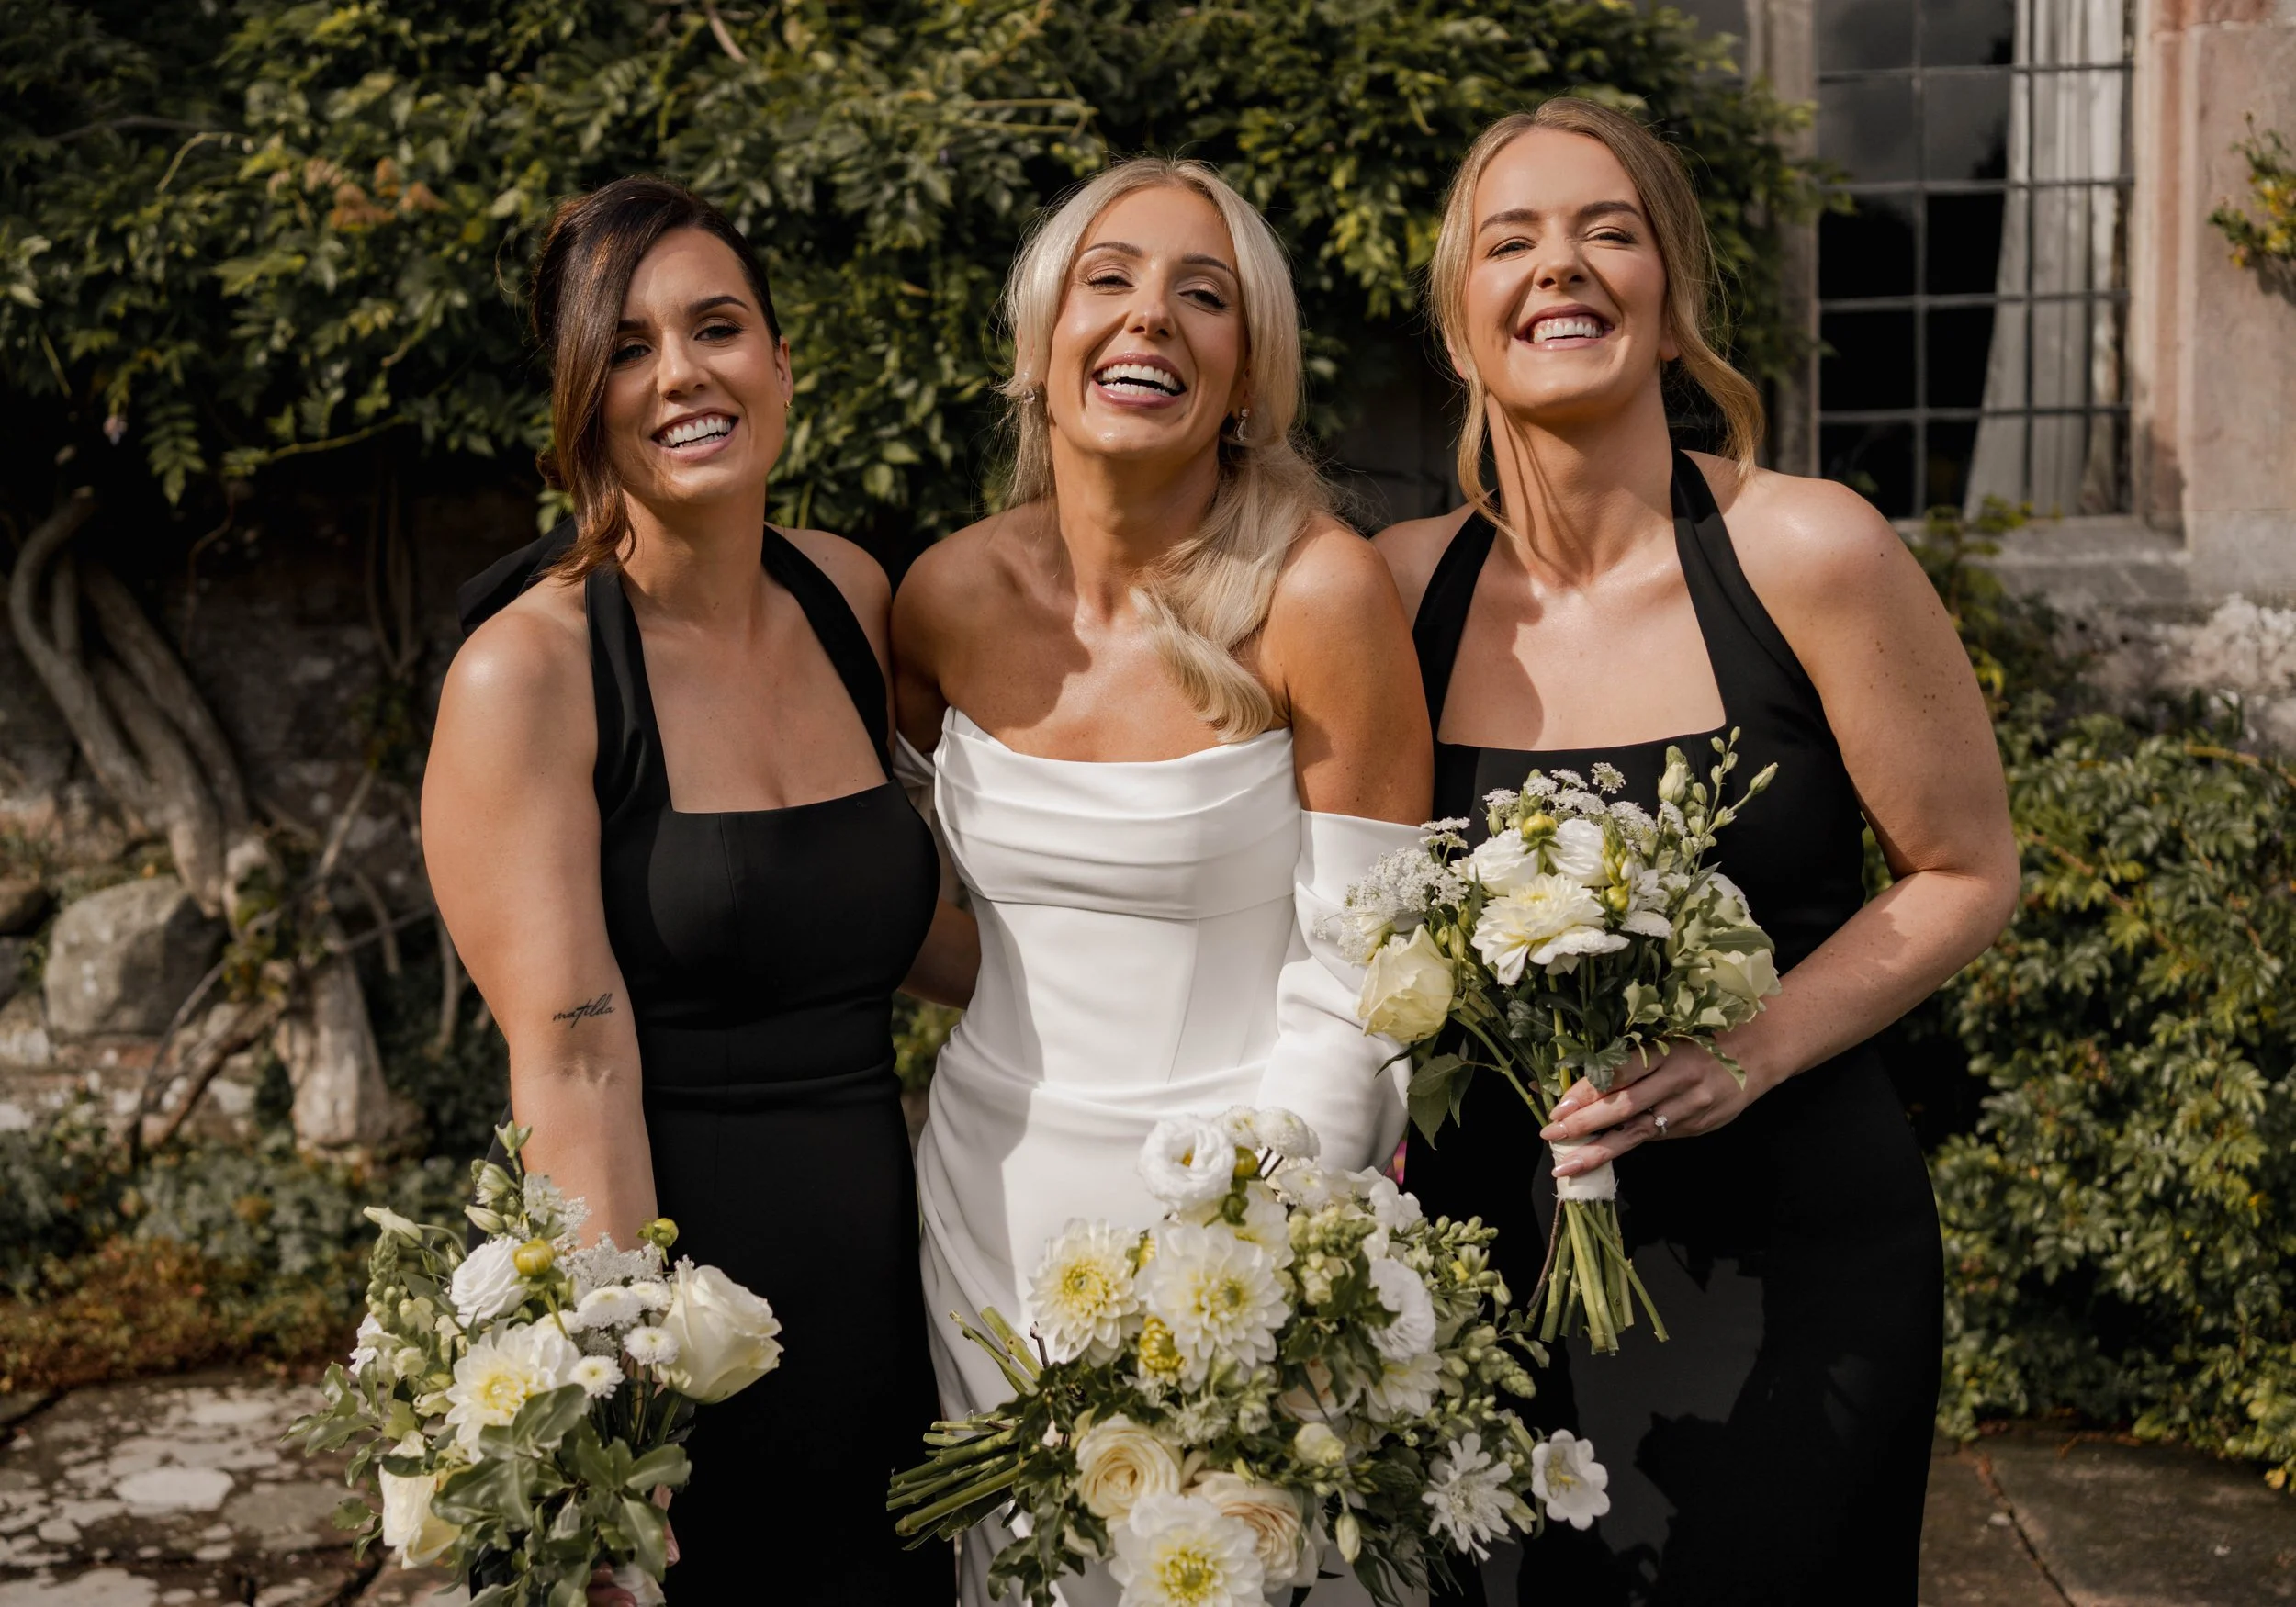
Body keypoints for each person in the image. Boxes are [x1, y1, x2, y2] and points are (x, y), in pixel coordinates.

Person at [1373, 101, 2019, 1606]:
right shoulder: (1394, 593)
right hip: (1487, 1272)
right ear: (1462, 324)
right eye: (1512, 239)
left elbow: (1968, 869)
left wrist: (1756, 1041)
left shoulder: (1812, 550)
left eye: (1611, 230)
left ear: (1671, 300)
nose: (1564, 267)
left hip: (1790, 1249)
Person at [892, 156, 1433, 1604]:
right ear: (1039, 339)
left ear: (1248, 373)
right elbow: (895, 888)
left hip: (1243, 1219)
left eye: (1207, 296)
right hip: (987, 1203)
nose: (1151, 320)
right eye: (1109, 279)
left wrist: (1258, 1250)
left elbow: (1371, 968)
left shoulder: (1320, 593)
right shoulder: (940, 597)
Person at [423, 176, 974, 1603]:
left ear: (781, 362)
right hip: (677, 1311)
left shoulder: (852, 598)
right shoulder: (528, 675)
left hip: (888, 1287)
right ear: (577, 400)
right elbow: (576, 1068)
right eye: (625, 346)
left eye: (718, 327)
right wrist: (610, 1418)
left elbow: (903, 926)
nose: (681, 373)